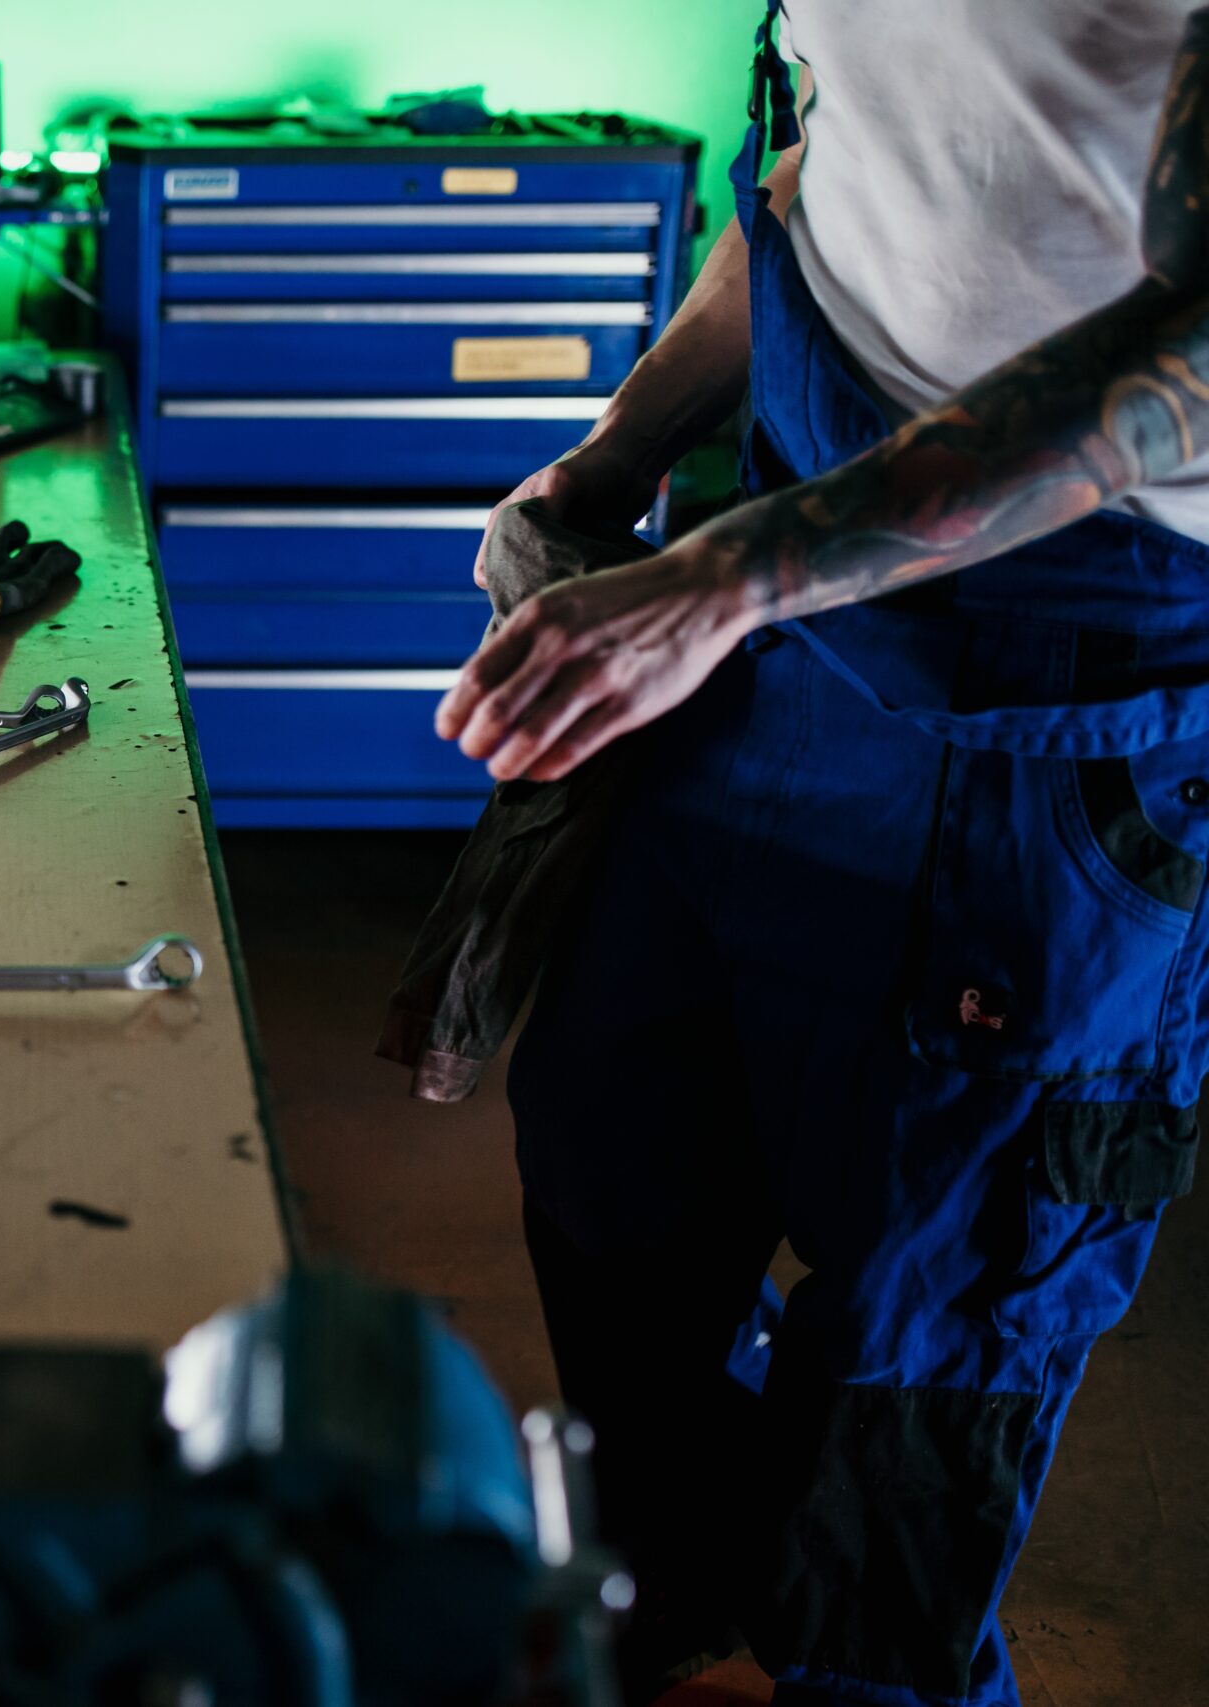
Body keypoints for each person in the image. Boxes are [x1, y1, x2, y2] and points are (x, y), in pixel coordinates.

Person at [444, 4, 1209, 1704]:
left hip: (1051, 694)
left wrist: (727, 580)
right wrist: (618, 456)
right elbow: (839, 160)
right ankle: (684, 1610)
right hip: (782, 616)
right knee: (610, 1168)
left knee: (927, 1365)